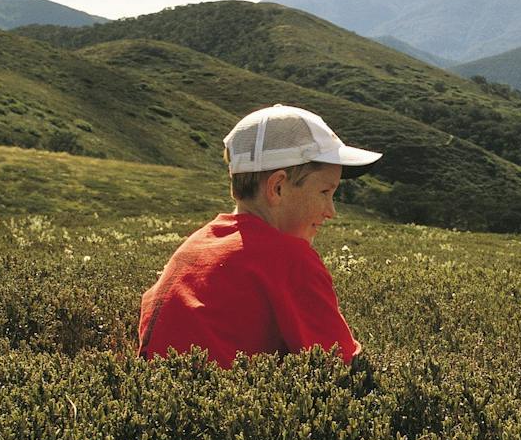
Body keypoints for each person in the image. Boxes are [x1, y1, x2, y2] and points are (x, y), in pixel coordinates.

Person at [139, 104, 381, 367]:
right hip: (228, 404)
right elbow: (344, 365)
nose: (331, 211)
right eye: (325, 192)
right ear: (277, 187)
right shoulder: (289, 258)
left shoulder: (196, 245)